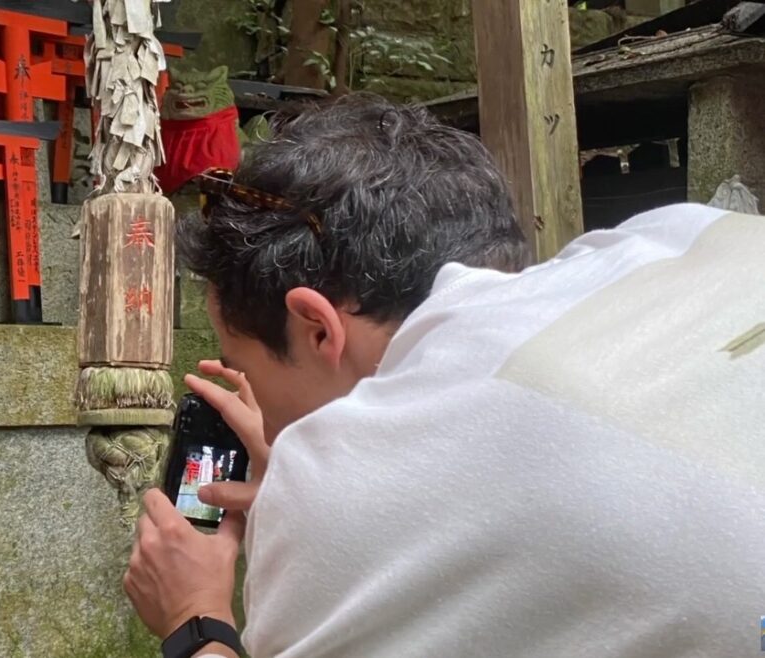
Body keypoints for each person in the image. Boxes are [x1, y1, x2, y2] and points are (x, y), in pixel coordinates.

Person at [122, 93, 765, 658]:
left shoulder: (334, 483)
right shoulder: (673, 236)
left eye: (242, 367)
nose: (258, 407)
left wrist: (196, 621)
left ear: (317, 327)